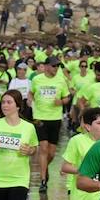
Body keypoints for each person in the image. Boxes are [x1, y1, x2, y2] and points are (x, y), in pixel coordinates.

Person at [62, 106, 100, 200]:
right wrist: (84, 170)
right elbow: (65, 167)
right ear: (88, 127)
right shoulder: (77, 141)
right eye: (99, 123)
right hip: (82, 199)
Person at [29, 57, 69, 192]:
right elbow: (31, 93)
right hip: (40, 118)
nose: (56, 68)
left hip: (55, 119)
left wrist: (62, 102)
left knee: (51, 153)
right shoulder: (37, 79)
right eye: (53, 66)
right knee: (43, 148)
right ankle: (43, 181)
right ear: (45, 66)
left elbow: (67, 97)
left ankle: (44, 169)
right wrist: (31, 103)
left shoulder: (61, 80)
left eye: (57, 66)